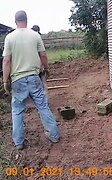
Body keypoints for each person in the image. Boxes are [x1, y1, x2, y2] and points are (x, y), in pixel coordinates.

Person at [2, 10, 60, 150]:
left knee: (17, 110)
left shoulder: (9, 38)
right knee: (42, 106)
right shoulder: (35, 36)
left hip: (17, 80)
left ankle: (19, 143)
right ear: (26, 20)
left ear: (15, 22)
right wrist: (46, 69)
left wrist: (5, 81)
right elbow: (43, 55)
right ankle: (54, 135)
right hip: (34, 78)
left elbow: (6, 61)